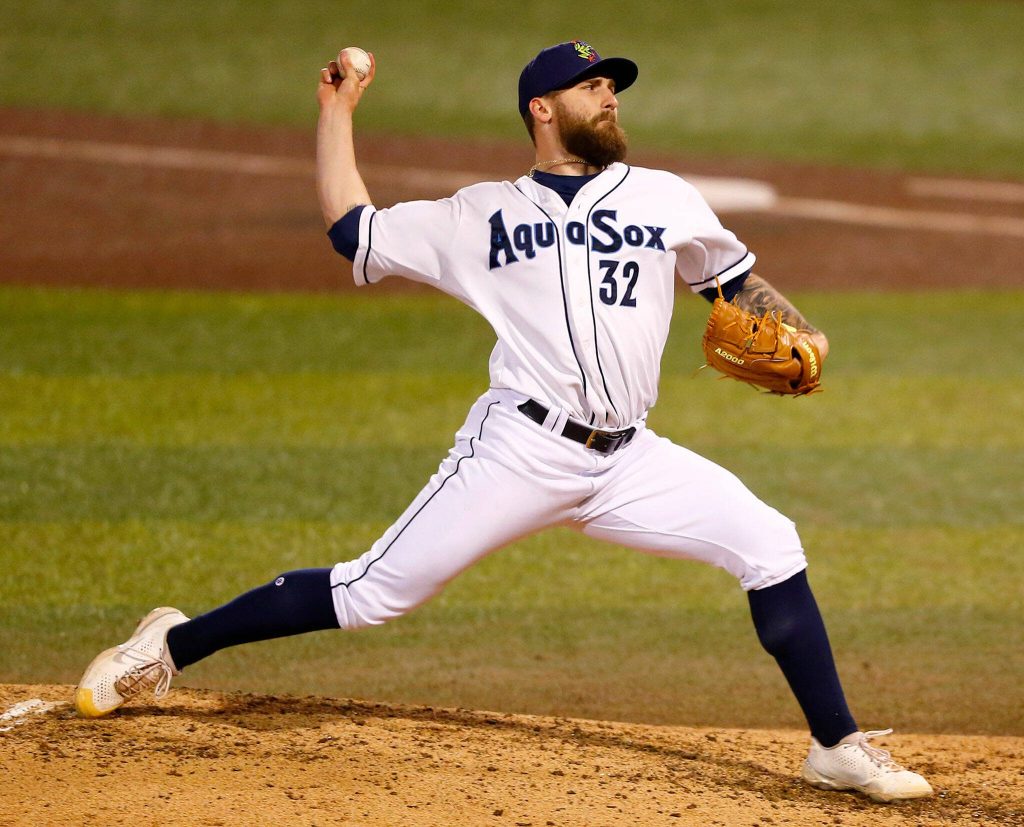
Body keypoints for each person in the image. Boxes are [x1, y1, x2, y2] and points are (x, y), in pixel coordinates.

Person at [75, 40, 933, 803]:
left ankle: (836, 747)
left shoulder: (666, 197)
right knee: (371, 593)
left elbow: (730, 282)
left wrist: (801, 326)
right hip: (519, 448)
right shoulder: (478, 216)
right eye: (591, 87)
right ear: (542, 108)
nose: (609, 98)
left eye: (613, 86)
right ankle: (169, 646)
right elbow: (352, 230)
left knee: (770, 542)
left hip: (631, 459)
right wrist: (337, 110)